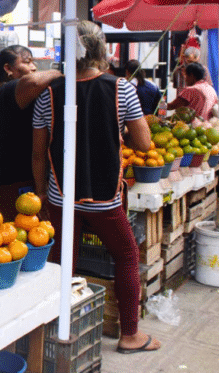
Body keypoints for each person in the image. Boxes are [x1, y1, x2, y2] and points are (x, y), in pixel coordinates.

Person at [32, 20, 160, 354]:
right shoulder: (122, 88)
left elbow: (38, 153)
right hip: (104, 197)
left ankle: (53, 327)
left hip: (61, 195)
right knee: (127, 255)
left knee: (63, 263)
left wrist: (43, 195)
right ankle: (130, 335)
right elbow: (144, 144)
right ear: (101, 49)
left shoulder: (48, 93)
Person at [0, 45, 61, 222]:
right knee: (20, 231)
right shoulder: (12, 90)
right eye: (27, 62)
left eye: (34, 62)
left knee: (3, 229)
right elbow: (34, 82)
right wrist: (60, 74)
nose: (33, 67)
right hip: (13, 178)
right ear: (8, 69)